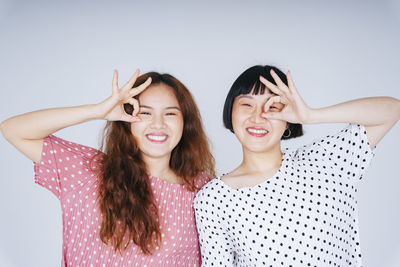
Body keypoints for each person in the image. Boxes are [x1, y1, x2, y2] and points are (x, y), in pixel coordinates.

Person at [1, 69, 215, 266]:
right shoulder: (90, 171)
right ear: (127, 119)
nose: (158, 124)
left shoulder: (202, 190)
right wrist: (98, 111)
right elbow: (13, 130)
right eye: (145, 113)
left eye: (170, 113)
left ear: (185, 123)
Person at [194, 65, 400, 266]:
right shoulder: (214, 199)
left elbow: (392, 110)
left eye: (272, 106)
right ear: (230, 112)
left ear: (288, 119)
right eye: (247, 105)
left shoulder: (326, 162)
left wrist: (311, 115)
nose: (258, 116)